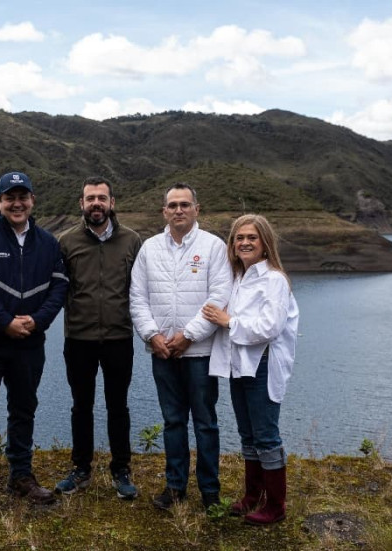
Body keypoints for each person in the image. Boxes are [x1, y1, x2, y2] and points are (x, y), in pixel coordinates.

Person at [0, 171, 68, 516]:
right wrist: (4, 322)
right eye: (10, 197)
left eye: (23, 197)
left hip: (29, 343)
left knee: (24, 410)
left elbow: (59, 287)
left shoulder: (49, 242)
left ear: (33, 200)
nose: (17, 203)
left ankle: (20, 476)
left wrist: (38, 321)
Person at [129, 182, 232, 511]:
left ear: (196, 209)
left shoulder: (213, 247)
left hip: (199, 354)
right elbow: (137, 298)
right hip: (163, 353)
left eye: (185, 204)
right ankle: (175, 487)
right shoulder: (149, 249)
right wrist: (151, 336)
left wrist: (188, 335)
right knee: (173, 421)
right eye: (172, 205)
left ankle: (210, 491)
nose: (178, 210)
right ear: (164, 211)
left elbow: (220, 298)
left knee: (205, 422)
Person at [202, 214, 299, 526]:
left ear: (264, 243)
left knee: (266, 435)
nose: (244, 242)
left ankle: (276, 505)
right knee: (247, 434)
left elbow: (269, 328)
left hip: (263, 365)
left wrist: (228, 321)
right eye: (239, 238)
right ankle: (252, 496)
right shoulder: (238, 278)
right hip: (239, 365)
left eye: (251, 238)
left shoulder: (274, 280)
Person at [54, 176, 143, 499]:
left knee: (118, 406)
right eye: (90, 198)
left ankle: (121, 469)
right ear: (81, 203)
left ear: (111, 203)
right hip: (79, 338)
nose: (96, 204)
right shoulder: (66, 241)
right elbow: (57, 288)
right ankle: (81, 469)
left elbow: (143, 290)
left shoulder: (132, 241)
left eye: (101, 198)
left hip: (120, 337)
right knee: (82, 406)